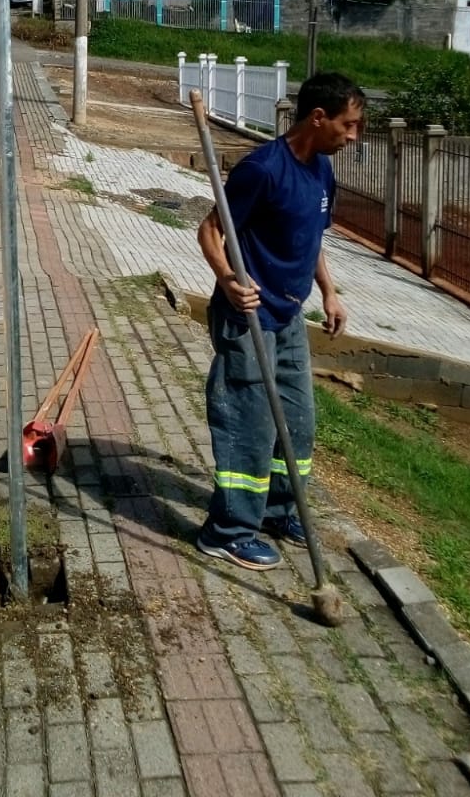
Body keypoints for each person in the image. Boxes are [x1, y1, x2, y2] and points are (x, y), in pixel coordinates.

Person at [195, 71, 365, 570]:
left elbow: (312, 239)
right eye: (349, 126)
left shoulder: (322, 172)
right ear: (319, 118)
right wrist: (227, 278)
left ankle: (277, 509)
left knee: (298, 423)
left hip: (289, 315)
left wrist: (329, 292)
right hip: (248, 317)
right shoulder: (263, 169)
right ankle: (225, 531)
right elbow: (210, 230)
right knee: (249, 426)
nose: (353, 138)